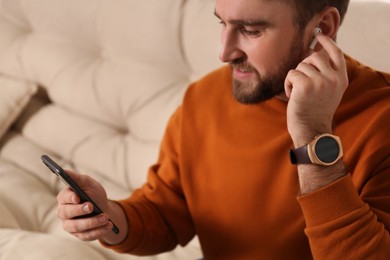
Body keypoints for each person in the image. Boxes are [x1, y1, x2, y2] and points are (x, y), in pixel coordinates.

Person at [56, 0, 390, 258]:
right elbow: (167, 211)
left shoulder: (381, 119)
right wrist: (109, 217)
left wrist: (313, 136)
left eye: (251, 30)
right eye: (223, 23)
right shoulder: (204, 97)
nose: (224, 52)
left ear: (323, 28)